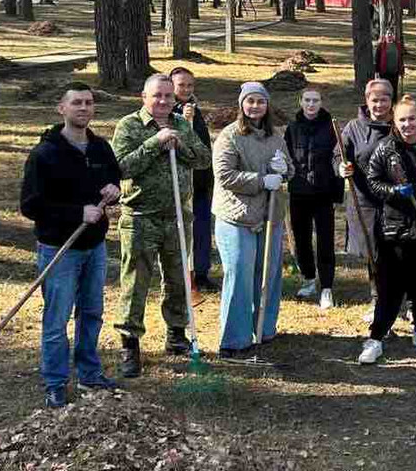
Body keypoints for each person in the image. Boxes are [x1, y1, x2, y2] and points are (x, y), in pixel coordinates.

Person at [21, 82, 121, 408]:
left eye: (89, 103)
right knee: (57, 318)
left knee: (91, 313)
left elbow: (115, 179)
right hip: (58, 249)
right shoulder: (45, 154)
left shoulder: (100, 148)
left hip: (94, 247)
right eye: (76, 103)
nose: (83, 108)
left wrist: (112, 190)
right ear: (61, 109)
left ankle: (90, 373)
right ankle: (55, 382)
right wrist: (77, 212)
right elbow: (31, 205)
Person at [112, 74, 212, 378]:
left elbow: (204, 159)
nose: (164, 101)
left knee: (178, 278)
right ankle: (130, 344)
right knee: (136, 281)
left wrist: (179, 144)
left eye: (169, 96)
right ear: (144, 97)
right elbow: (120, 166)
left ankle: (176, 334)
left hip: (177, 217)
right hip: (141, 217)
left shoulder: (182, 123)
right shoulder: (129, 126)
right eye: (158, 96)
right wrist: (155, 143)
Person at [359, 95, 416, 364]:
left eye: (412, 119)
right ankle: (376, 337)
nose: (408, 124)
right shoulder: (385, 149)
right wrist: (396, 191)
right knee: (389, 287)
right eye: (402, 120)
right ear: (394, 122)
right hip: (393, 229)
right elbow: (372, 182)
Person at [212, 82, 294, 359]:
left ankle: (263, 328)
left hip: (270, 216)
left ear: (267, 105)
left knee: (268, 275)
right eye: (250, 101)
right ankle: (234, 339)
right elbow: (224, 175)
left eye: (260, 101)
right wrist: (261, 180)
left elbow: (289, 168)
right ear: (241, 105)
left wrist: (285, 171)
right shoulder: (230, 135)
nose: (255, 106)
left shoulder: (275, 136)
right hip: (238, 216)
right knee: (240, 276)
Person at [333, 78, 394, 322]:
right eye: (374, 100)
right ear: (367, 101)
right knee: (374, 252)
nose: (379, 105)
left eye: (384, 99)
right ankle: (377, 299)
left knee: (400, 251)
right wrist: (341, 166)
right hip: (365, 201)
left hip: (395, 200)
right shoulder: (353, 127)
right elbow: (339, 153)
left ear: (392, 100)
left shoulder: (399, 124)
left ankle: (408, 301)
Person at [284, 87, 344, 310]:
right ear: (300, 102)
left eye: (315, 100)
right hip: (299, 191)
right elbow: (286, 154)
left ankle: (326, 287)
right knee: (301, 238)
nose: (311, 104)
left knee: (325, 240)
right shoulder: (292, 127)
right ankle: (309, 278)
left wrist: (338, 180)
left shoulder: (331, 127)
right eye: (307, 100)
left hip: (323, 192)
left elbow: (338, 155)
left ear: (321, 103)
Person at [170, 67, 217, 293]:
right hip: (179, 182)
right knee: (181, 228)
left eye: (190, 85)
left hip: (201, 180)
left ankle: (201, 273)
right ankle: (181, 274)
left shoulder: (195, 109)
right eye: (181, 85)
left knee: (201, 227)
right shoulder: (167, 111)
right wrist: (181, 119)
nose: (186, 89)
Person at [374, 28, 404, 98]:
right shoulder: (381, 46)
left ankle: (393, 105)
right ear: (385, 35)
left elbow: (400, 59)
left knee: (394, 90)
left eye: (391, 34)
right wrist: (376, 72)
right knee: (385, 90)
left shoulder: (397, 45)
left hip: (394, 72)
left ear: (394, 36)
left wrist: (402, 70)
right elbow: (377, 59)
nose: (390, 35)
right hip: (384, 73)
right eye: (388, 33)